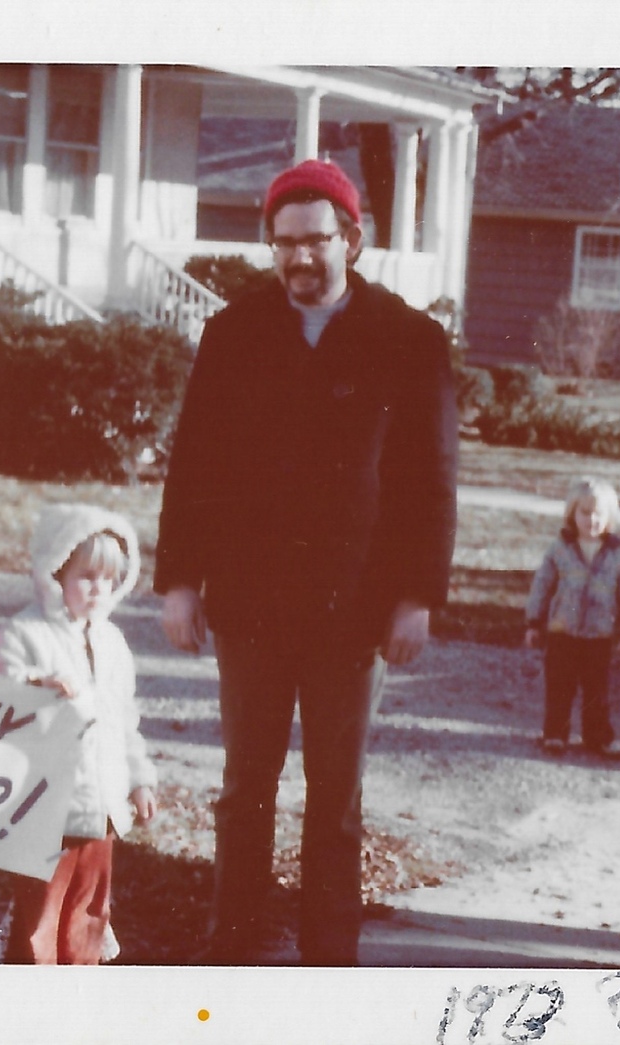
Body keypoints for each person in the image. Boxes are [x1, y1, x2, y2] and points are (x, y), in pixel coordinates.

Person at [155, 159, 459, 965]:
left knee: (335, 803)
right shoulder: (236, 333)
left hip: (351, 612)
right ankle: (234, 951)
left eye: (316, 240)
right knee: (242, 792)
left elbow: (433, 482)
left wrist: (416, 596)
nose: (299, 258)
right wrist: (181, 581)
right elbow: (195, 467)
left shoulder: (407, 339)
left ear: (351, 240)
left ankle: (330, 962)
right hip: (250, 607)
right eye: (283, 243)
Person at [0, 503, 158, 964]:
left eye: (109, 578)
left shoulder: (112, 643)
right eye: (86, 575)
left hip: (101, 807)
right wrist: (33, 690)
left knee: (90, 912)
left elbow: (125, 719)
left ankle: (79, 990)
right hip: (44, 807)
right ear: (54, 571)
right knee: (40, 914)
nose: (98, 588)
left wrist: (139, 780)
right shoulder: (24, 634)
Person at [524, 477, 620, 756]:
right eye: (585, 513)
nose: (592, 520)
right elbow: (542, 585)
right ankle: (555, 734)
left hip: (599, 634)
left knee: (596, 690)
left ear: (610, 517)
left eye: (598, 514)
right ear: (572, 514)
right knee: (559, 687)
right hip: (562, 631)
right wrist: (534, 622)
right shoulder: (560, 548)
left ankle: (597, 736)